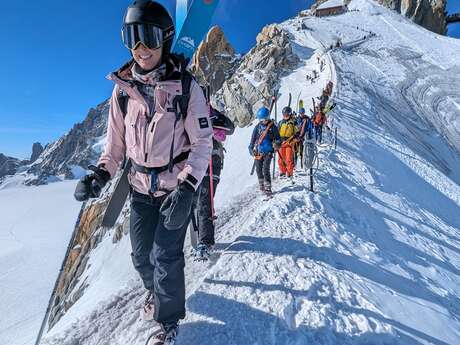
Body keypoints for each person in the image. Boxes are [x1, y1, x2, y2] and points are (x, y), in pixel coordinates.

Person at [73, 1, 212, 343]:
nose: (140, 48)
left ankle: (167, 322)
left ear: (165, 38)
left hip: (173, 190)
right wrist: (100, 175)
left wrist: (188, 187)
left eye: (148, 37)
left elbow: (203, 142)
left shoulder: (186, 87)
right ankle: (157, 292)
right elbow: (115, 149)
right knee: (140, 256)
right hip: (138, 190)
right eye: (131, 38)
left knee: (166, 255)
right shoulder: (122, 92)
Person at [194, 107, 234, 259]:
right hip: (193, 162)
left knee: (204, 200)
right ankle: (201, 236)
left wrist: (213, 120)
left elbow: (230, 128)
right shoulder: (188, 110)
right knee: (193, 202)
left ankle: (205, 241)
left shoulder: (213, 113)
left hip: (212, 161)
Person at [248, 107, 281, 196]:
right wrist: (251, 149)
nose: (263, 121)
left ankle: (268, 187)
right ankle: (261, 184)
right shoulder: (257, 127)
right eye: (261, 119)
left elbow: (278, 139)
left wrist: (277, 144)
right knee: (258, 169)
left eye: (264, 119)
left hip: (268, 152)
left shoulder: (273, 127)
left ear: (268, 117)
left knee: (265, 168)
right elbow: (253, 139)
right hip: (259, 152)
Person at [277, 106, 299, 179]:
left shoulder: (293, 122)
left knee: (289, 158)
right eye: (284, 114)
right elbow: (276, 132)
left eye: (286, 115)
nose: (285, 116)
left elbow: (297, 131)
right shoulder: (280, 123)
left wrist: (295, 138)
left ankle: (290, 173)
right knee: (281, 158)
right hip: (281, 142)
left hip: (289, 142)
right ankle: (283, 172)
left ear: (289, 114)